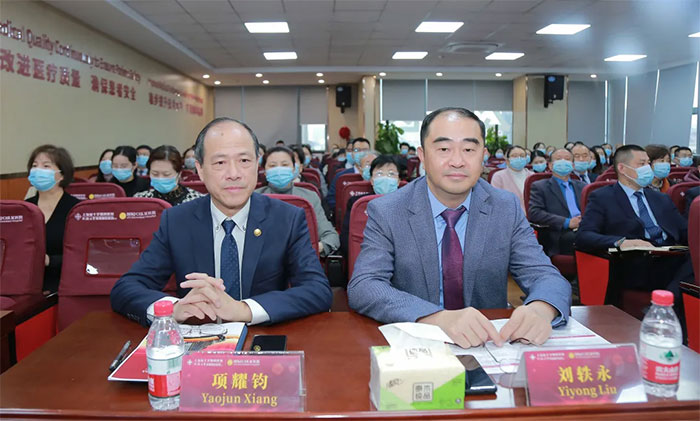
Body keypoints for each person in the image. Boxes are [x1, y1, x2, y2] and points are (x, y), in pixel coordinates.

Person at [348, 107, 571, 348]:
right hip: (417, 344)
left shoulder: (505, 207)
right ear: (422, 155)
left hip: (488, 343)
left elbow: (545, 275)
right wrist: (435, 318)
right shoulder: (388, 210)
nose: (457, 161)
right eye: (444, 149)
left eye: (469, 150)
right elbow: (365, 285)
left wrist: (541, 309)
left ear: (483, 155)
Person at [111, 117, 332, 327]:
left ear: (257, 165)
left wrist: (243, 310)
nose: (234, 174)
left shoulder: (287, 218)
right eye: (220, 162)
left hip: (262, 338)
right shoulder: (177, 221)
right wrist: (173, 309)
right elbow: (126, 288)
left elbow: (317, 290)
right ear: (200, 169)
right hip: (198, 338)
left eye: (244, 161)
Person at [576, 145, 692, 309]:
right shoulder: (603, 198)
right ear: (622, 168)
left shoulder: (660, 199)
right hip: (636, 261)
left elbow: (685, 230)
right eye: (641, 164)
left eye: (648, 163)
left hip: (671, 255)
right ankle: (665, 305)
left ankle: (662, 305)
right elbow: (584, 235)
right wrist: (621, 242)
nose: (647, 168)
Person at [256, 146, 339, 257]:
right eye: (272, 166)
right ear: (265, 172)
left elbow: (330, 236)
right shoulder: (254, 197)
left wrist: (314, 248)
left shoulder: (310, 197)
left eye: (285, 165)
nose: (279, 170)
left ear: (294, 169)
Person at [25, 145, 81, 293]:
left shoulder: (76, 209)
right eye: (34, 166)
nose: (38, 170)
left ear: (62, 175)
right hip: (27, 283)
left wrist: (49, 260)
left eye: (46, 166)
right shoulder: (25, 208)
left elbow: (81, 254)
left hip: (63, 284)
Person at [528, 148, 585, 256]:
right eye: (559, 159)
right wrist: (567, 222)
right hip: (559, 233)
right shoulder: (540, 187)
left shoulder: (582, 186)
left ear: (573, 165)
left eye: (567, 159)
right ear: (550, 165)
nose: (563, 161)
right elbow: (535, 213)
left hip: (583, 228)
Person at [341, 154, 399, 256]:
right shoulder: (357, 203)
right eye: (379, 174)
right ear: (372, 180)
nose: (385, 178)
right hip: (363, 257)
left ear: (398, 181)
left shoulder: (408, 204)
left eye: (391, 174)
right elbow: (346, 240)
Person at [133, 145, 204, 206]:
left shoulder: (197, 200)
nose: (160, 178)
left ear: (179, 174)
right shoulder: (140, 199)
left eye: (166, 174)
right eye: (155, 174)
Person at [327, 137, 371, 210]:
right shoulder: (341, 176)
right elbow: (331, 199)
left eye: (365, 150)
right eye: (357, 150)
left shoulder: (377, 176)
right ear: (352, 154)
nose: (361, 153)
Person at [490, 145, 533, 212]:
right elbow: (496, 201)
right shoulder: (498, 176)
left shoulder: (532, 176)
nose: (519, 158)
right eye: (514, 156)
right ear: (507, 160)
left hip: (533, 215)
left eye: (522, 156)